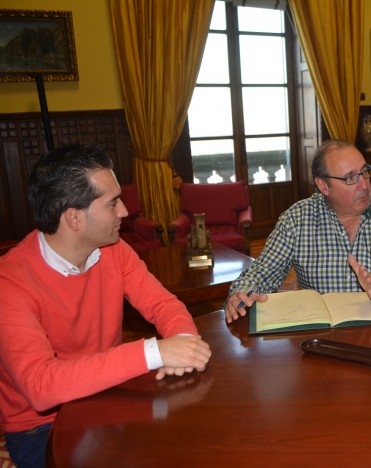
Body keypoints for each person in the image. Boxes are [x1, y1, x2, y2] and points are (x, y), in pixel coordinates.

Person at [0, 144, 212, 467]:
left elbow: (163, 304)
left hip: (108, 396)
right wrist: (155, 352)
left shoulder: (113, 249)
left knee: (187, 446)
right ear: (74, 218)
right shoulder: (9, 283)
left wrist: (183, 341)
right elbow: (42, 386)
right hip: (40, 427)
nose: (124, 211)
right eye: (112, 203)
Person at [225, 139, 371, 322]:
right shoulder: (296, 220)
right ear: (323, 185)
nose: (364, 185)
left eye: (365, 172)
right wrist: (242, 292)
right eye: (350, 178)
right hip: (320, 333)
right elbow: (262, 273)